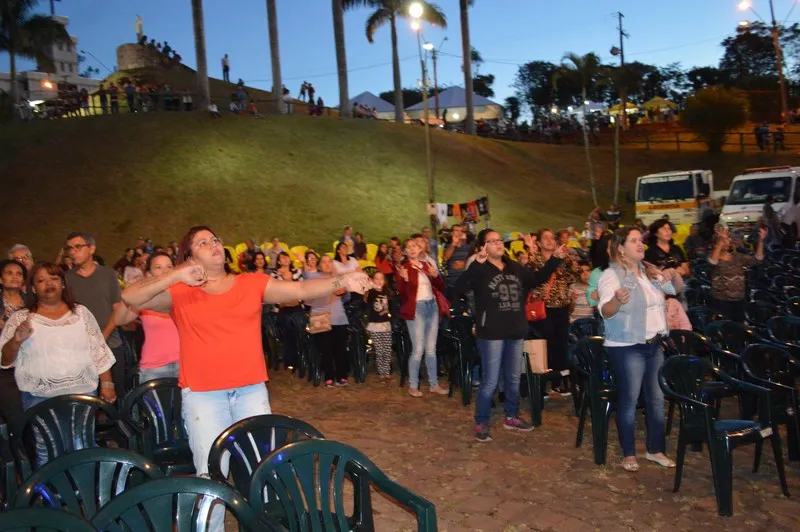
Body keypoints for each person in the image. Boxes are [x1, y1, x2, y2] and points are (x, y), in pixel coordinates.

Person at [121, 226, 370, 522]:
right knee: (211, 477)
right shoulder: (181, 293)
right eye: (203, 243)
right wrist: (176, 274)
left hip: (251, 392)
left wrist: (343, 279)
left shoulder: (251, 283)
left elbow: (300, 290)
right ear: (190, 256)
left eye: (215, 239)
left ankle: (260, 526)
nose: (213, 244)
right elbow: (131, 297)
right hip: (203, 396)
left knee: (260, 471)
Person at [0, 262, 116, 467]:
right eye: (41, 280)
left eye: (54, 278)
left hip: (82, 395)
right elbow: (5, 360)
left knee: (82, 448)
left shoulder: (81, 313)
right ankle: (53, 496)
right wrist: (16, 339)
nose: (49, 284)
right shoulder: (21, 318)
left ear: (63, 284)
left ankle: (84, 493)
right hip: (39, 398)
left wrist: (107, 383)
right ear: (33, 288)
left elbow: (97, 349)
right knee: (48, 452)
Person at [455, 231, 564, 442]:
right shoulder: (480, 269)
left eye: (499, 240)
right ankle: (481, 421)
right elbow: (459, 288)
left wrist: (555, 260)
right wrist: (476, 264)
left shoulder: (514, 267)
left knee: (514, 378)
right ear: (483, 247)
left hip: (515, 330)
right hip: (491, 333)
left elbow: (535, 279)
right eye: (492, 241)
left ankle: (511, 416)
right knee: (491, 380)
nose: (498, 243)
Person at [597, 227, 679, 472]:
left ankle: (655, 450)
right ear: (621, 248)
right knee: (629, 401)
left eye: (641, 240)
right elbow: (605, 311)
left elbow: (674, 290)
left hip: (654, 344)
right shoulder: (611, 276)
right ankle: (629, 453)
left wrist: (670, 275)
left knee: (656, 399)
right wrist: (616, 300)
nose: (641, 244)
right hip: (627, 347)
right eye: (634, 241)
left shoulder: (648, 272)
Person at [63, 232, 127, 399]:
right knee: (88, 399)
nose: (72, 252)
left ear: (91, 248)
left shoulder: (108, 275)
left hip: (110, 343)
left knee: (117, 396)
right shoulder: (66, 279)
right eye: (69, 248)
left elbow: (117, 308)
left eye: (77, 247)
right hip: (80, 350)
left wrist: (102, 336)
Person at [528, 228, 582, 396]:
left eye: (552, 238)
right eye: (545, 238)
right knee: (545, 343)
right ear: (538, 242)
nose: (550, 241)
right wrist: (553, 259)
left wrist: (566, 257)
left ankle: (558, 381)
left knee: (560, 343)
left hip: (561, 306)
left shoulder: (563, 258)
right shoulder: (534, 258)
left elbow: (574, 274)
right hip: (542, 308)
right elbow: (535, 275)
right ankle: (542, 381)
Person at [114, 252, 180, 382]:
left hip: (185, 364)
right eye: (158, 267)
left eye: (169, 267)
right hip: (154, 367)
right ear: (149, 274)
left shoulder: (183, 294)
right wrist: (129, 296)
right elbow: (119, 320)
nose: (165, 271)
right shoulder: (146, 299)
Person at [396, 238, 448, 397]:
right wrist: (404, 280)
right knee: (418, 349)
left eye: (415, 246)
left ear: (420, 249)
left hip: (431, 306)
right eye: (408, 247)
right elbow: (403, 294)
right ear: (404, 252)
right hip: (416, 309)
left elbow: (441, 288)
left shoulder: (427, 265)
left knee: (431, 349)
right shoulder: (403, 268)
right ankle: (413, 385)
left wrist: (436, 276)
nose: (412, 249)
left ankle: (434, 384)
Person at [304, 255, 352, 387]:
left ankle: (342, 376)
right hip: (322, 318)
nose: (327, 264)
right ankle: (329, 376)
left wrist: (344, 293)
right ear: (319, 265)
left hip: (339, 318)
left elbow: (347, 298)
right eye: (324, 262)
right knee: (326, 350)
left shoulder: (337, 279)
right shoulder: (314, 279)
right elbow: (307, 300)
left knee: (340, 349)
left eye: (329, 261)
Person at [708, 225, 766, 322]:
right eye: (723, 240)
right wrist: (720, 243)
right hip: (721, 301)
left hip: (739, 300)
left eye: (727, 239)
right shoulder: (713, 257)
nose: (727, 241)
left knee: (738, 328)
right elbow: (712, 262)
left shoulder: (737, 256)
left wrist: (761, 241)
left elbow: (758, 259)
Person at [0, 260, 26, 429]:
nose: (15, 277)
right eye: (9, 273)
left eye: (19, 274)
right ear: (1, 279)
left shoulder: (32, 302)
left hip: (25, 361)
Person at [271, 252, 304, 371]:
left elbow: (303, 287)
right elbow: (271, 291)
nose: (285, 259)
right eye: (282, 258)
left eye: (287, 257)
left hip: (297, 306)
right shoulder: (274, 275)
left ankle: (300, 359)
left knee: (299, 332)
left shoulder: (297, 272)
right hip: (283, 308)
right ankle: (290, 361)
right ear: (278, 262)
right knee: (288, 333)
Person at [365, 272, 393, 382]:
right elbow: (367, 298)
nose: (379, 281)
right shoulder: (371, 293)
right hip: (374, 325)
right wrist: (371, 286)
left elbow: (392, 307)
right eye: (376, 279)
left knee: (387, 349)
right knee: (379, 349)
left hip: (386, 324)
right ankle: (381, 371)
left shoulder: (388, 293)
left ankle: (386, 370)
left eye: (381, 278)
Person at [443, 224, 471, 310]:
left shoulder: (468, 247)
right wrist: (454, 243)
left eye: (461, 231)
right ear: (452, 233)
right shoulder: (448, 247)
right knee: (456, 310)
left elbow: (474, 261)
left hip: (467, 284)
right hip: (454, 284)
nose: (459, 233)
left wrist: (464, 263)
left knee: (469, 309)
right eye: (456, 230)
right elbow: (445, 257)